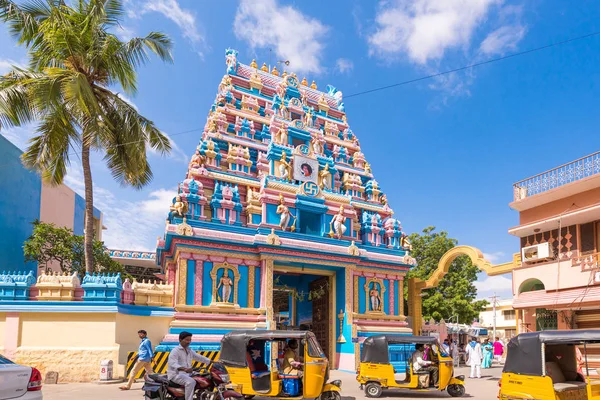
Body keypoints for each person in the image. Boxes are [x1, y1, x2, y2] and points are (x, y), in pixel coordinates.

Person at [168, 331, 213, 400]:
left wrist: (210, 361)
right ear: (180, 340)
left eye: (190, 340)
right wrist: (184, 369)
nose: (188, 342)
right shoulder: (175, 351)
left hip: (187, 373)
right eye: (186, 340)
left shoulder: (189, 350)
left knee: (204, 377)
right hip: (176, 375)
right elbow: (172, 363)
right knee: (191, 382)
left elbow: (198, 357)